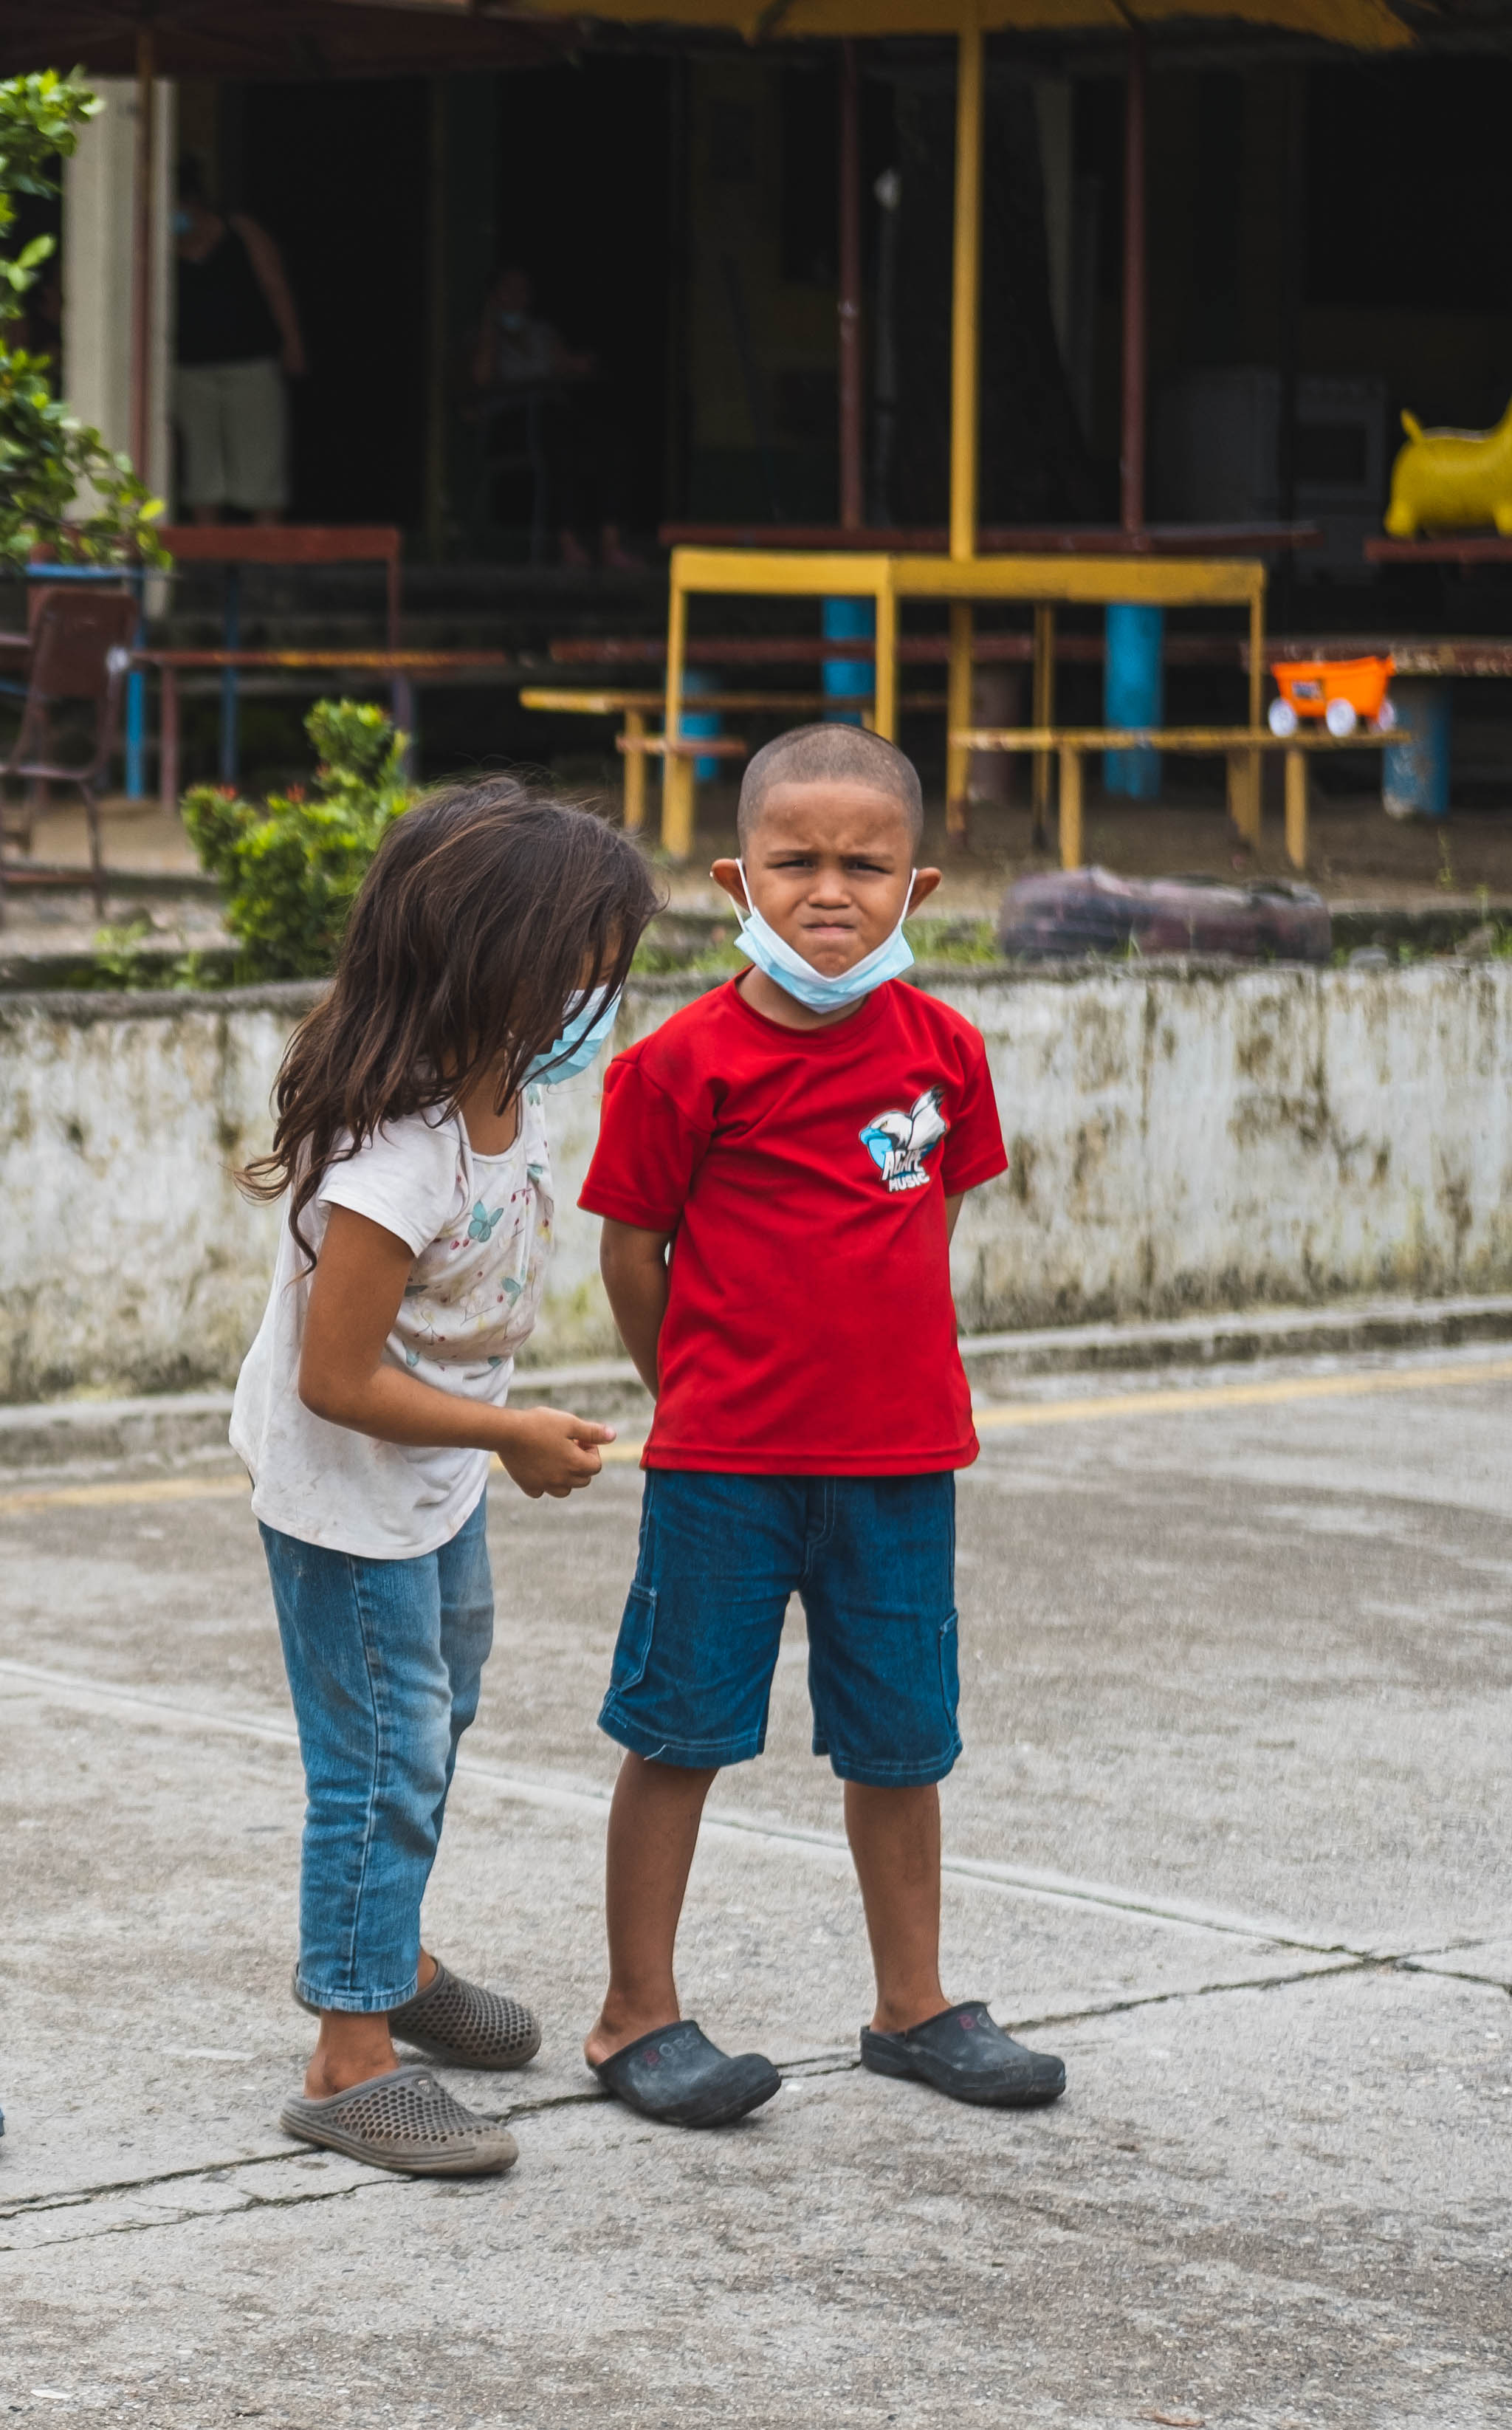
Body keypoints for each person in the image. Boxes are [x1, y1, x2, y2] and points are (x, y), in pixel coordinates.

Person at [576, 723, 1067, 2128]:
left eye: (867, 864)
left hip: (902, 1464)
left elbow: (936, 1215)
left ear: (919, 890)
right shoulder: (682, 1063)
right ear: (739, 878)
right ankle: (635, 2018)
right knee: (679, 1731)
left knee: (902, 1743)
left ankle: (912, 2008)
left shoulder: (945, 1052)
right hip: (724, 1469)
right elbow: (632, 1253)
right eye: (795, 863)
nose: (830, 891)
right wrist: (693, 1398)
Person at [230, 778, 659, 2177]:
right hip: (352, 1494)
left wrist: (488, 1441)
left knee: (440, 1710)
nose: (601, 998)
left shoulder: (507, 1086)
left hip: (430, 1486)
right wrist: (508, 1432)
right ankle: (350, 2056)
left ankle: (387, 1950)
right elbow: (335, 1379)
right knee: (381, 1760)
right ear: (494, 962)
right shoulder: (395, 1150)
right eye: (585, 969)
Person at [471, 265, 636, 571]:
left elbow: (567, 365)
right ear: (495, 295)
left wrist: (582, 364)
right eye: (509, 289)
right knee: (559, 440)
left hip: (551, 418)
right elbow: (481, 380)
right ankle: (568, 544)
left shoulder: (541, 332)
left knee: (609, 442)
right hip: (511, 423)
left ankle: (610, 544)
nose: (517, 297)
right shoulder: (486, 334)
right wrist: (490, 323)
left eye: (523, 290)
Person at [173, 157, 306, 525]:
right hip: (190, 371)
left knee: (262, 469)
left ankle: (265, 570)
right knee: (202, 475)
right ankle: (208, 571)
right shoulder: (160, 248)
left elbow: (275, 287)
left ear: (196, 202)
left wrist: (293, 343)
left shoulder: (241, 233)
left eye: (179, 208)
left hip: (251, 366)